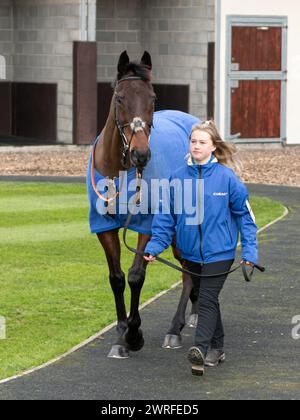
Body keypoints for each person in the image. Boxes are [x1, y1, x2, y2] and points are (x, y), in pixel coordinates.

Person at [144, 120, 258, 377]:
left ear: (213, 146)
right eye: (193, 141)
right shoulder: (176, 177)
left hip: (220, 252)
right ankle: (218, 347)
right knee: (209, 298)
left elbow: (246, 218)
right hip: (190, 254)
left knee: (205, 299)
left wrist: (249, 253)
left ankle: (200, 347)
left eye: (202, 142)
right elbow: (165, 219)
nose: (196, 146)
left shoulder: (227, 179)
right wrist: (154, 247)